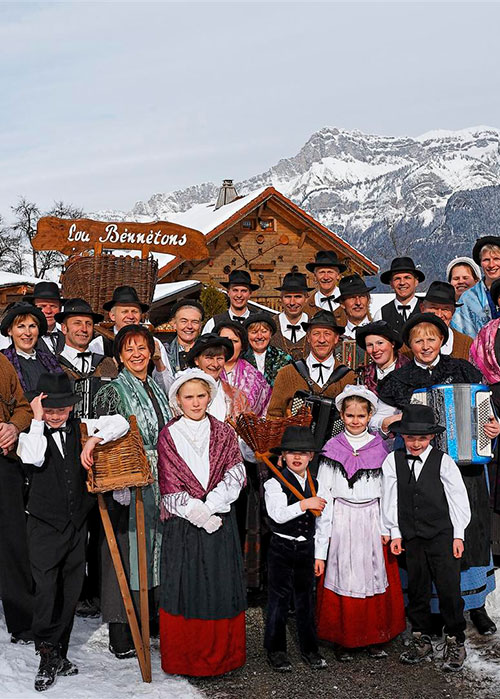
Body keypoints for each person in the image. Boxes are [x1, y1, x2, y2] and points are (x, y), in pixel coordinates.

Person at [378, 313, 500, 634]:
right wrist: (391, 421)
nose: (425, 345)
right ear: (410, 345)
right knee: (427, 533)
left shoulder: (463, 369)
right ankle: (430, 608)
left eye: (431, 338)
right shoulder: (399, 380)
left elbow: (488, 410)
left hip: (467, 468)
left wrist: (494, 426)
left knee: (471, 532)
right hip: (423, 469)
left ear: (442, 340)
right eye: (418, 340)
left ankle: (475, 605)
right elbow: (380, 418)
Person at [18, 372, 129, 691]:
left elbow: (121, 422)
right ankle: (46, 654)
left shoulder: (81, 427)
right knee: (46, 591)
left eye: (61, 410)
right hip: (43, 525)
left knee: (70, 592)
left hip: (76, 525)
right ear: (40, 407)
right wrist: (36, 419)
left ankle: (59, 653)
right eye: (49, 410)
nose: (55, 416)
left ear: (71, 407)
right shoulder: (31, 433)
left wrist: (94, 440)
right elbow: (33, 457)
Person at [157, 368, 247, 676]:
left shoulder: (223, 432)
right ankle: (187, 658)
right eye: (189, 397)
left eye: (200, 396)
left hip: (219, 521)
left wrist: (211, 508)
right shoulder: (168, 435)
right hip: (184, 526)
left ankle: (222, 657)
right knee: (187, 587)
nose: (195, 403)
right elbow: (169, 483)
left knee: (219, 585)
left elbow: (236, 473)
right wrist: (198, 513)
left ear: (209, 397)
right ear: (178, 401)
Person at [93, 325, 172, 658]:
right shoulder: (114, 391)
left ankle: (147, 618)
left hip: (158, 480)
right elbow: (105, 438)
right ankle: (121, 630)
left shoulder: (154, 386)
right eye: (129, 349)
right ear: (119, 357)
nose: (137, 354)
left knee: (153, 549)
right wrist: (121, 481)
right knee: (126, 551)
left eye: (142, 348)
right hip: (126, 481)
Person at [315, 386, 405, 660]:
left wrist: (388, 528)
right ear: (342, 415)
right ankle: (345, 638)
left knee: (372, 575)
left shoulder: (380, 449)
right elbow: (324, 494)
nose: (355, 421)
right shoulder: (332, 448)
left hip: (371, 518)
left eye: (361, 416)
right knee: (344, 574)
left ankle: (375, 635)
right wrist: (323, 540)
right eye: (350, 415)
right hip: (342, 518)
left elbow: (388, 493)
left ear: (369, 416)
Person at [381, 404, 471, 672]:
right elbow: (389, 499)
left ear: (431, 436)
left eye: (422, 438)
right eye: (410, 437)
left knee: (449, 589)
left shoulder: (444, 461)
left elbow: (458, 500)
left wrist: (458, 535)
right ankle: (421, 638)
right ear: (402, 436)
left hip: (442, 535)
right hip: (412, 536)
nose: (416, 443)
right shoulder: (392, 461)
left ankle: (455, 639)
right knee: (417, 589)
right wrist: (395, 533)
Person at [56, 298, 118, 619]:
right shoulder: (52, 364)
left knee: (101, 525)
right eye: (76, 323)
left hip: (102, 454)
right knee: (72, 526)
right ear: (63, 327)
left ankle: (97, 591)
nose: (83, 328)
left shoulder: (106, 364)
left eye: (88, 323)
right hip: (65, 455)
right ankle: (72, 592)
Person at [264, 426, 327, 671]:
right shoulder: (274, 483)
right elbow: (278, 515)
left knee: (305, 600)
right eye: (291, 452)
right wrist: (304, 504)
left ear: (311, 456)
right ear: (283, 456)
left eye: (303, 452)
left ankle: (310, 649)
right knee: (278, 600)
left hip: (306, 548)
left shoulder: (317, 483)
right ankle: (276, 651)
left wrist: (319, 555)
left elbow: (323, 523)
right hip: (281, 547)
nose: (297, 457)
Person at [0, 353, 34, 645]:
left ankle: (22, 620)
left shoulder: (3, 364)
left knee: (13, 540)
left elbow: (24, 408)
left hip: (4, 464)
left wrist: (13, 427)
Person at [268, 310, 355, 420]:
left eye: (327, 334)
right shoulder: (286, 373)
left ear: (336, 338)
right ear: (308, 338)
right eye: (316, 334)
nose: (321, 340)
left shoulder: (349, 377)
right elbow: (273, 415)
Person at [89, 285, 173, 390]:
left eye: (134, 311)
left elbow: (168, 389)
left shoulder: (153, 342)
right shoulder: (99, 344)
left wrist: (159, 363)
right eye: (125, 311)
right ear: (112, 316)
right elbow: (94, 386)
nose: (130, 316)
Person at [1, 303, 62, 393]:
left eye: (32, 326)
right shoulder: (3, 362)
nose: (28, 333)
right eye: (21, 326)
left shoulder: (50, 360)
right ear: (9, 330)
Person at [186, 333, 249, 421]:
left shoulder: (238, 396)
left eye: (219, 358)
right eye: (209, 358)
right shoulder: (185, 393)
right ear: (196, 360)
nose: (215, 364)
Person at [215, 320, 271, 417]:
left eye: (235, 341)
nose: (229, 345)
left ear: (242, 346)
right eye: (224, 340)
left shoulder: (255, 377)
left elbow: (265, 413)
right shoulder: (206, 372)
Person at [452, 236, 500, 338]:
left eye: (496, 259)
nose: (491, 265)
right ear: (480, 263)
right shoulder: (468, 298)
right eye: (486, 260)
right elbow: (460, 332)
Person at [418, 281, 473, 360]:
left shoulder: (467, 343)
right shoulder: (407, 345)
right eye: (434, 308)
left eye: (445, 309)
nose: (439, 315)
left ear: (453, 312)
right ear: (422, 308)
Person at [355, 321, 410, 395]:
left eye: (380, 343)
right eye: (370, 345)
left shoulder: (409, 372)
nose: (375, 350)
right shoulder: (363, 374)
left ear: (392, 344)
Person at [335, 274, 375, 370]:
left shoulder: (380, 334)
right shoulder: (336, 338)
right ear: (342, 304)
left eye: (362, 296)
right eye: (352, 297)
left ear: (368, 300)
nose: (358, 302)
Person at [374, 257, 424, 333]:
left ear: (416, 281)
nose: (402, 283)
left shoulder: (427, 309)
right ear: (391, 283)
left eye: (407, 278)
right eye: (397, 279)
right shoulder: (381, 314)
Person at [270, 272, 313, 360]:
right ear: (281, 299)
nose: (292, 302)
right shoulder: (270, 326)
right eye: (288, 297)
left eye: (298, 297)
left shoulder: (315, 324)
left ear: (306, 298)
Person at [243, 313, 292, 386]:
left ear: (270, 334)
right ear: (247, 335)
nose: (259, 336)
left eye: (264, 331)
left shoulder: (283, 358)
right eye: (254, 332)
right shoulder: (241, 358)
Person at [303, 250, 347, 324]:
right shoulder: (307, 307)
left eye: (330, 272)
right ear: (315, 276)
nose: (326, 277)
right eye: (322, 272)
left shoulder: (349, 302)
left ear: (338, 276)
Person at [164, 299, 204, 374]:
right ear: (174, 324)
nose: (189, 326)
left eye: (194, 322)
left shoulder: (207, 350)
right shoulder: (165, 351)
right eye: (184, 321)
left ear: (200, 326)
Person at [25, 281, 65, 354]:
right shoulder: (23, 339)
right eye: (43, 306)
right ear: (33, 308)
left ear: (60, 309)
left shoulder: (68, 338)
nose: (48, 311)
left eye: (53, 306)